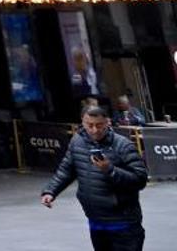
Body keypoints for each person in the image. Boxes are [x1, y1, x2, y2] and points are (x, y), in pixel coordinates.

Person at [40, 104, 149, 250]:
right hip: (95, 219)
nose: (94, 130)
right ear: (82, 122)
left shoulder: (123, 145)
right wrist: (50, 191)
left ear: (108, 122)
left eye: (99, 125)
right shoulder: (77, 141)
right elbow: (66, 170)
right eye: (89, 125)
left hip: (123, 221)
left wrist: (109, 170)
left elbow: (140, 179)